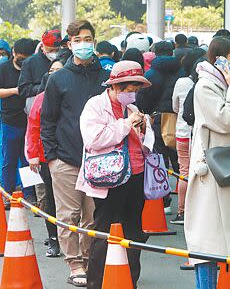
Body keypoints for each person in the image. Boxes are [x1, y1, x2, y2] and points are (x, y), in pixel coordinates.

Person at [184, 37, 230, 288]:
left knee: (222, 242)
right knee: (208, 244)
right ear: (218, 58)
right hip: (212, 172)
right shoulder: (206, 85)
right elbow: (225, 120)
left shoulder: (223, 84)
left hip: (228, 166)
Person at [41, 19, 110, 287]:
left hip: (98, 158)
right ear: (69, 44)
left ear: (94, 40)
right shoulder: (57, 79)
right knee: (68, 214)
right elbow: (47, 120)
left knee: (93, 216)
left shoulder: (105, 77)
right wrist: (52, 157)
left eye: (87, 39)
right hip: (65, 158)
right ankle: (74, 264)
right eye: (78, 40)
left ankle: (88, 258)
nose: (83, 44)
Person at [78, 61, 152, 289]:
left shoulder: (132, 109)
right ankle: (97, 282)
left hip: (136, 175)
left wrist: (145, 127)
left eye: (137, 90)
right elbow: (94, 139)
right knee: (104, 230)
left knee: (133, 233)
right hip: (107, 179)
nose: (133, 95)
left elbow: (147, 145)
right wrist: (126, 124)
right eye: (130, 90)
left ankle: (129, 281)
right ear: (117, 87)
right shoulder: (95, 106)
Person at [25, 58, 66, 259]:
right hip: (45, 158)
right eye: (51, 70)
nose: (54, 74)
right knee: (50, 199)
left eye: (59, 70)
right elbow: (32, 128)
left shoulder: (72, 95)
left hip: (71, 155)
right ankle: (54, 239)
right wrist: (32, 155)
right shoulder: (40, 98)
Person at [136, 40, 184, 196]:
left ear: (155, 53)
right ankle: (183, 198)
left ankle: (164, 199)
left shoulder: (151, 73)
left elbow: (142, 98)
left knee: (159, 159)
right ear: (172, 51)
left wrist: (147, 112)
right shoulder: (181, 71)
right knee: (180, 160)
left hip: (156, 119)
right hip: (178, 119)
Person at [0, 38, 36, 197]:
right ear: (14, 53)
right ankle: (7, 192)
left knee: (28, 161)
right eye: (21, 59)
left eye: (28, 59)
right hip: (9, 120)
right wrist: (16, 90)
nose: (24, 63)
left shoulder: (33, 68)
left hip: (30, 122)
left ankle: (30, 194)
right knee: (9, 160)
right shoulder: (4, 69)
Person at [170, 48, 206, 225]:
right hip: (200, 135)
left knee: (184, 172)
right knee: (201, 173)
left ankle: (182, 212)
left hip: (183, 133)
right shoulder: (207, 82)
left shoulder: (182, 82)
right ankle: (199, 212)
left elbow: (175, 107)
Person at [18, 29, 62, 108]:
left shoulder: (64, 60)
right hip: (38, 108)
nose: (54, 53)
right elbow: (23, 90)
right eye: (50, 50)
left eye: (57, 50)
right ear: (42, 47)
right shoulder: (30, 62)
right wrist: (45, 87)